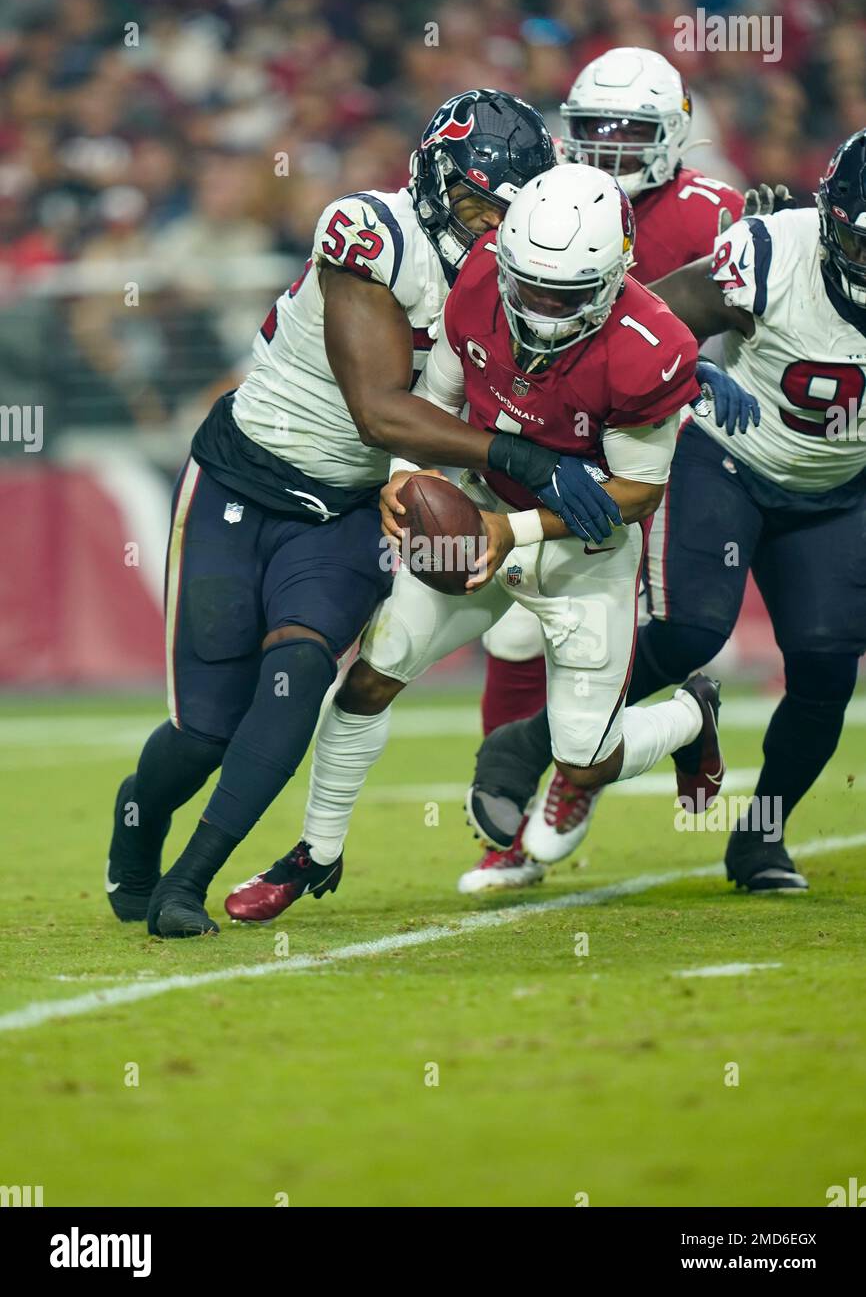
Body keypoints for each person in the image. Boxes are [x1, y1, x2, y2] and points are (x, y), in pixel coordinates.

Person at [105, 89, 608, 939]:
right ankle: (137, 830)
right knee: (204, 732)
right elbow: (377, 408)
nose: (492, 225)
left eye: (508, 211)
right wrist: (525, 460)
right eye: (481, 202)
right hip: (244, 480)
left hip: (346, 509)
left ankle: (189, 881)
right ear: (436, 178)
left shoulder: (518, 266)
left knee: (299, 674)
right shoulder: (370, 231)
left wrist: (678, 365)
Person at [223, 162, 753, 925]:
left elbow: (637, 493)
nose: (536, 305)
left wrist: (515, 529)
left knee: (585, 758)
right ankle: (315, 853)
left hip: (581, 552)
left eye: (559, 294)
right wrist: (405, 481)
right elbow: (431, 402)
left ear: (613, 277)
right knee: (370, 679)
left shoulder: (651, 347)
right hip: (476, 508)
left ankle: (690, 719)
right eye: (526, 282)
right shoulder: (478, 279)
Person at [465, 128, 866, 894]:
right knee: (689, 630)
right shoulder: (774, 254)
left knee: (823, 667)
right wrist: (691, 374)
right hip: (729, 462)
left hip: (839, 489)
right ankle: (541, 745)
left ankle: (760, 839)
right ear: (832, 219)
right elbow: (647, 317)